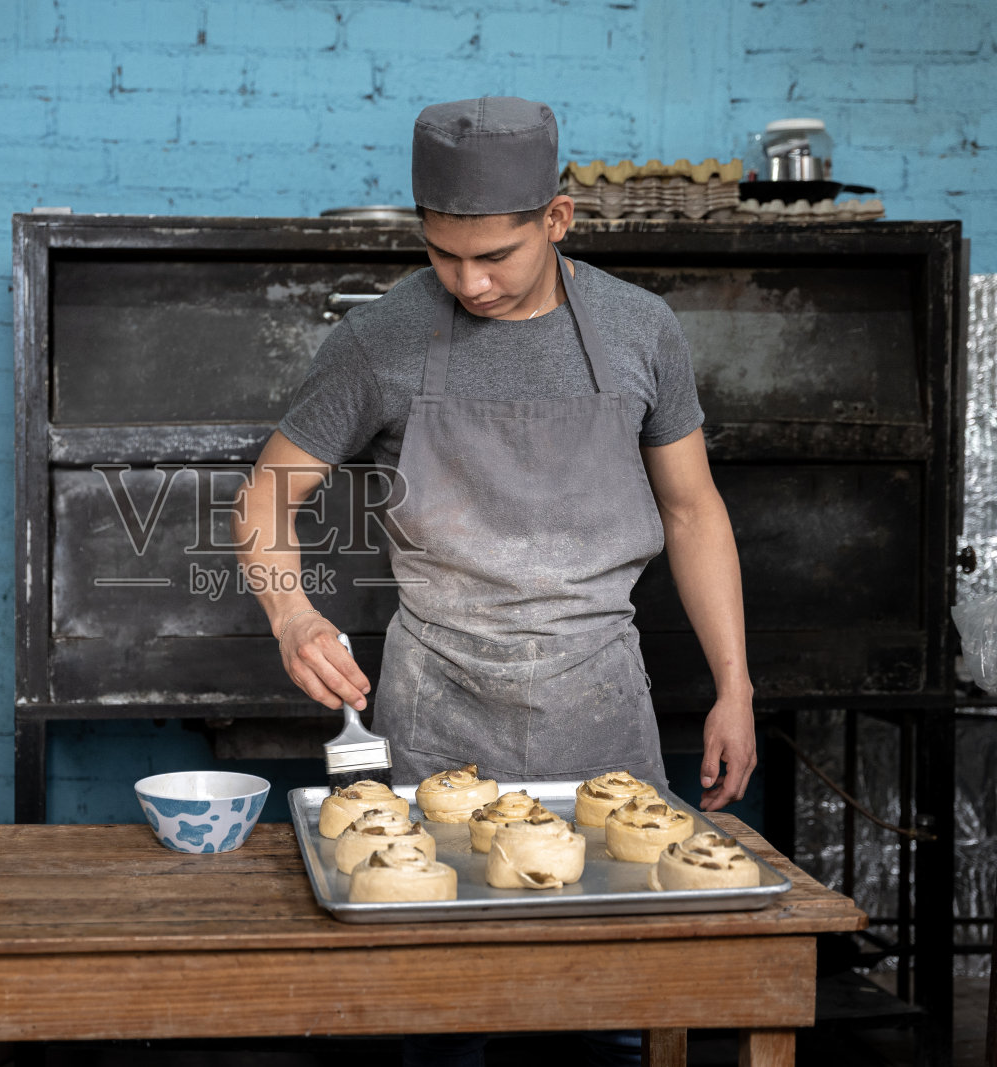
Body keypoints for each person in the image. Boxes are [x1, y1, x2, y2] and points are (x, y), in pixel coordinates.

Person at [233, 98, 756, 1065]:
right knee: (429, 1011)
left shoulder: (640, 331)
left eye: (495, 257)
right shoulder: (382, 339)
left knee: (600, 1015)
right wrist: (291, 616)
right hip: (438, 709)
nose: (466, 282)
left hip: (599, 704)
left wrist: (735, 686)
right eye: (442, 253)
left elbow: (693, 511)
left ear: (557, 219)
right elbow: (265, 498)